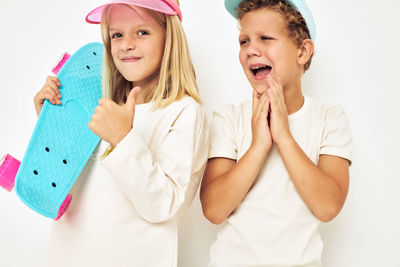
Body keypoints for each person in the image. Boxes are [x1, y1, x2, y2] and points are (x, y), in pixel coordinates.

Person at [34, 1, 209, 266]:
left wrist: (123, 139)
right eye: (117, 34)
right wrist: (50, 123)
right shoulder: (98, 105)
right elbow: (63, 184)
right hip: (67, 256)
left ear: (169, 39)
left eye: (142, 32)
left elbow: (164, 205)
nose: (126, 44)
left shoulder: (184, 113)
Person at [200, 0, 352, 266]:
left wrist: (284, 137)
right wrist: (258, 146)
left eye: (265, 38)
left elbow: (328, 207)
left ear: (302, 52)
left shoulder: (329, 119)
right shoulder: (229, 118)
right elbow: (213, 210)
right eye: (244, 41)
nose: (250, 50)